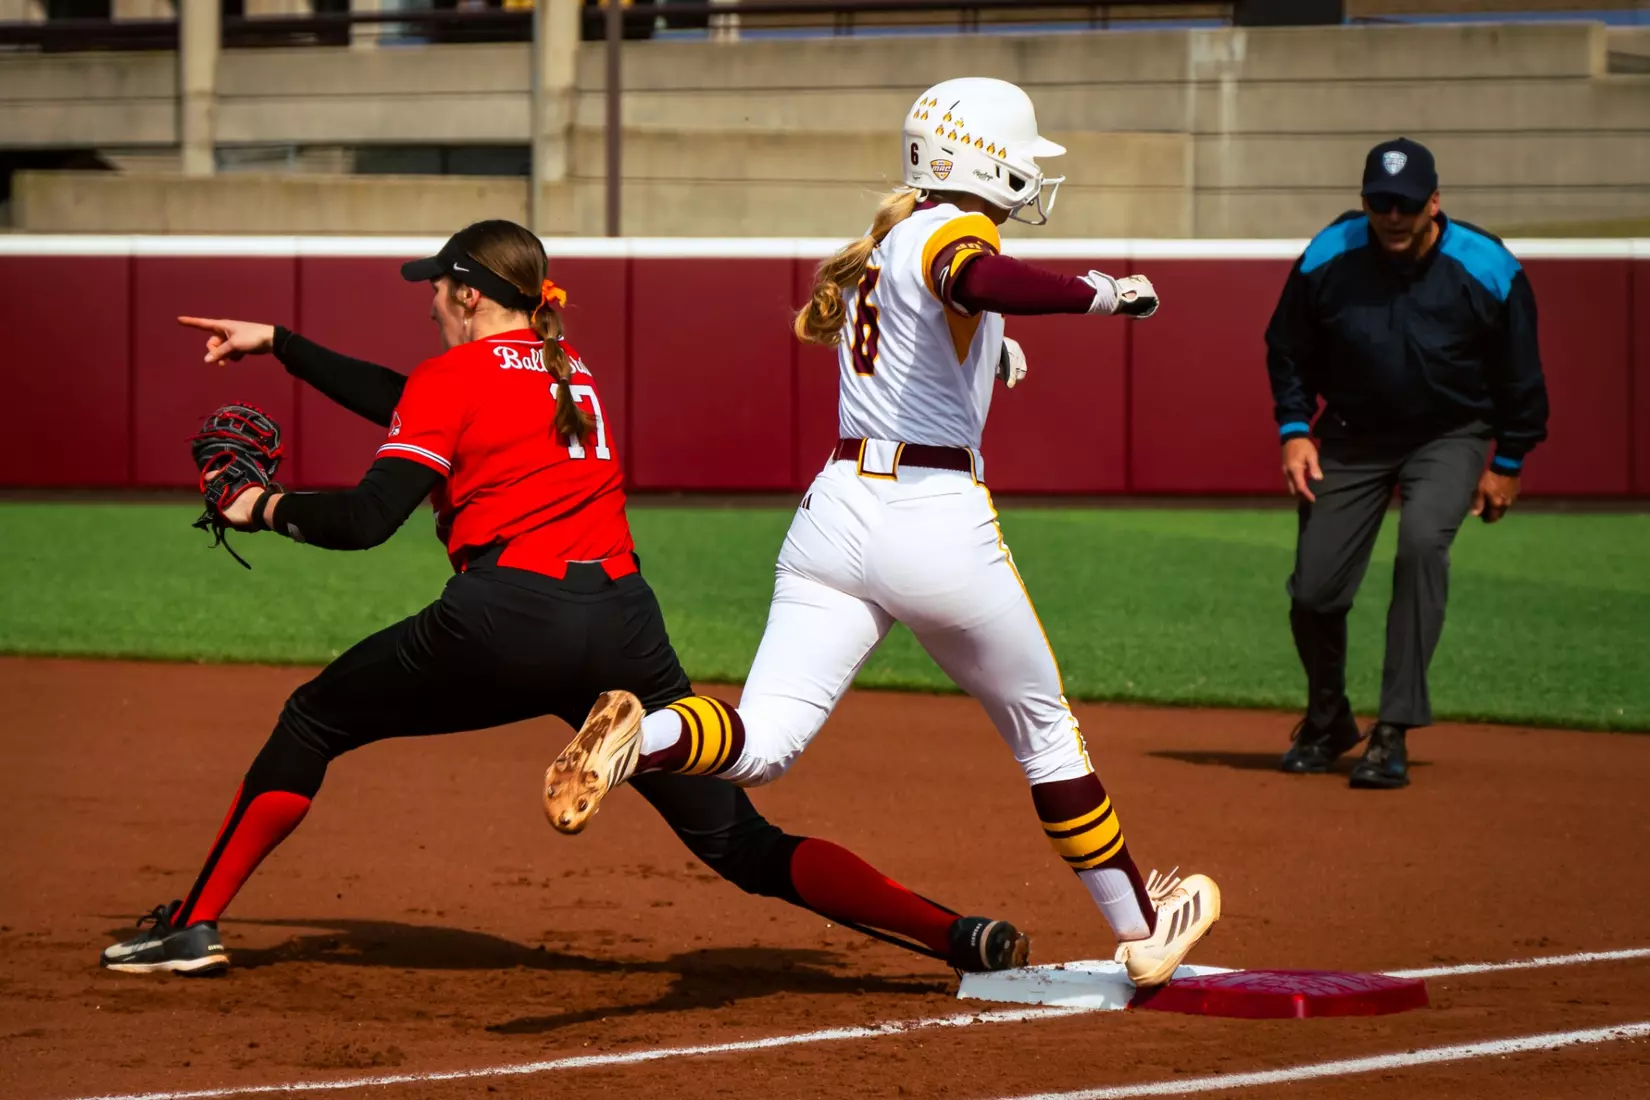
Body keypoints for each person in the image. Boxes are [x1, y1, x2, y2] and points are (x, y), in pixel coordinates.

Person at [100, 219, 1030, 976]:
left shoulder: (453, 377)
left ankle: (193, 925)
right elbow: (413, 398)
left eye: (435, 287)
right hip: (623, 626)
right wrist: (287, 347)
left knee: (312, 721)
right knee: (742, 843)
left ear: (468, 293)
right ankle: (956, 936)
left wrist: (253, 504)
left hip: (506, 623)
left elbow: (366, 518)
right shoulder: (564, 367)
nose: (428, 303)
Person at [541, 79, 1222, 990]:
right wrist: (1097, 295)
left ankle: (647, 738)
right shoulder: (951, 233)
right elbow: (975, 276)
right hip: (930, 515)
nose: (1032, 170)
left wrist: (988, 349)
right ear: (987, 158)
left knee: (767, 740)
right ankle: (1141, 932)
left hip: (835, 512)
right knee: (1048, 737)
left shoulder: (891, 236)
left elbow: (939, 315)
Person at [1266, 138, 1550, 789]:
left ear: (1435, 202)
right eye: (1379, 203)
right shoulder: (1329, 255)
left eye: (1407, 203)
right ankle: (1329, 718)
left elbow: (1521, 374)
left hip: (1449, 434)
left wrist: (1507, 461)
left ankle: (1392, 730)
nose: (1392, 216)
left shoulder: (1488, 266)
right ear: (1364, 201)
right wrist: (1293, 429)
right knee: (1314, 591)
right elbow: (1286, 348)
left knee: (1423, 545)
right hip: (1351, 434)